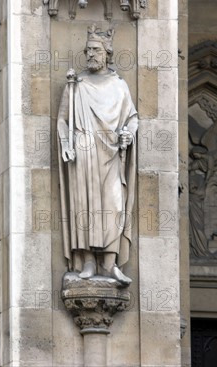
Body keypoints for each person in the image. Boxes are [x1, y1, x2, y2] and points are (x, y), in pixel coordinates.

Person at [57, 25, 138, 285]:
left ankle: (110, 263)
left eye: (95, 50)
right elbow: (62, 121)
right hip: (83, 151)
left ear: (107, 53)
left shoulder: (119, 86)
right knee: (86, 205)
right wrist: (65, 144)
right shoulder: (76, 85)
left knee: (114, 204)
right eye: (87, 50)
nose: (90, 54)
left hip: (111, 152)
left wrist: (128, 133)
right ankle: (89, 261)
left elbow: (132, 119)